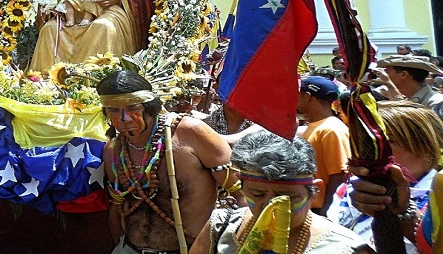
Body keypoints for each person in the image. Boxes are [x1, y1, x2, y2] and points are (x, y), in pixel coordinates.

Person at [98, 70, 242, 252]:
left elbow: (243, 195)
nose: (124, 118)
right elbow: (117, 208)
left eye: (133, 107)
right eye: (113, 110)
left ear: (150, 106)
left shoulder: (191, 133)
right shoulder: (113, 150)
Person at [190, 131, 372, 254]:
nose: (271, 206)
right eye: (258, 194)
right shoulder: (221, 227)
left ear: (314, 190)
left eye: (287, 198)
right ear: (240, 185)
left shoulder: (344, 247)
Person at [328, 101, 443, 253]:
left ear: (427, 148)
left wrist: (404, 213)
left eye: (384, 143)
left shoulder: (438, 196)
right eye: (362, 143)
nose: (367, 152)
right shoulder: (348, 190)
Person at [297, 76, 351, 215]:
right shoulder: (316, 126)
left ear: (307, 96)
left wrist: (326, 213)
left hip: (321, 210)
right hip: (310, 207)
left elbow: (339, 176)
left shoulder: (331, 129)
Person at [370, 54, 443, 117]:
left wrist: (390, 85)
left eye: (387, 72)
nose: (383, 75)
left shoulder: (436, 102)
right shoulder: (407, 99)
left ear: (403, 74)